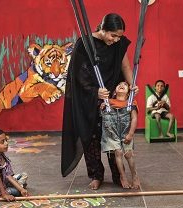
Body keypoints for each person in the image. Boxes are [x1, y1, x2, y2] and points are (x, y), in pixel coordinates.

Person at [62, 13, 139, 190]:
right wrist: (95, 91)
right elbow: (77, 74)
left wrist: (131, 83)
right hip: (89, 97)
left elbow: (125, 65)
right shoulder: (85, 44)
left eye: (119, 36)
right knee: (91, 137)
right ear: (103, 30)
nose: (116, 40)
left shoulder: (118, 44)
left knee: (114, 136)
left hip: (111, 97)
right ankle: (96, 174)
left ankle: (118, 174)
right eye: (113, 35)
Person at [100, 81, 140, 189]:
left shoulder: (131, 103)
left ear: (128, 93)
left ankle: (134, 175)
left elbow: (134, 118)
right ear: (114, 92)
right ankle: (122, 176)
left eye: (125, 85)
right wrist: (102, 107)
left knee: (128, 154)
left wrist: (131, 134)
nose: (122, 85)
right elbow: (102, 116)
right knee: (118, 152)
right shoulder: (108, 102)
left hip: (126, 131)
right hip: (112, 132)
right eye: (119, 84)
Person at [0, 129, 29, 201]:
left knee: (23, 176)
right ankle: (14, 187)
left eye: (6, 140)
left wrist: (22, 189)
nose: (6, 143)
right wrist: (4, 194)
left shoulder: (2, 155)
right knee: (17, 191)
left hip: (5, 183)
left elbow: (8, 176)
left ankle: (19, 185)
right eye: (2, 142)